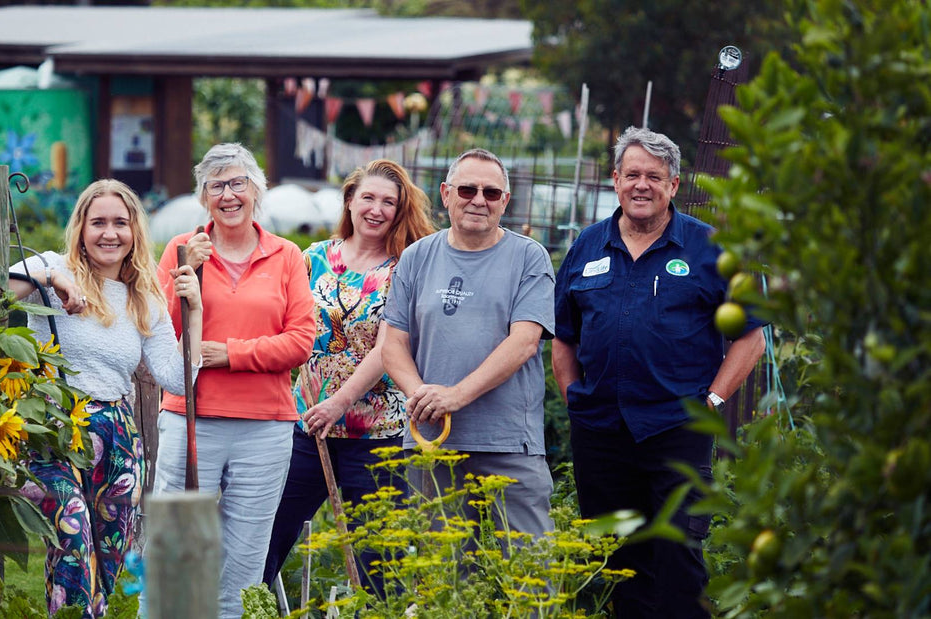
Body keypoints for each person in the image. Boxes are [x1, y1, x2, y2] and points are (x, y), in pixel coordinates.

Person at [552, 126, 766, 618]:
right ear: (615, 181)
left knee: (677, 556)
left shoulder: (709, 247)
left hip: (677, 427)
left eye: (654, 176)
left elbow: (749, 335)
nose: (641, 185)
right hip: (601, 433)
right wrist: (574, 400)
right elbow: (563, 337)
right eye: (632, 175)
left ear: (673, 185)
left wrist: (711, 402)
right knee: (613, 558)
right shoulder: (587, 247)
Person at [9, 179, 203, 619]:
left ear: (135, 231)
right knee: (73, 544)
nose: (109, 233)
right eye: (98, 222)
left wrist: (196, 312)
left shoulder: (143, 297)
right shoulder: (50, 266)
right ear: (81, 227)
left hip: (117, 437)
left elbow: (174, 379)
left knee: (111, 561)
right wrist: (51, 277)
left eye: (121, 222)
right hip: (53, 428)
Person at [153, 143, 314, 619]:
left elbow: (301, 342)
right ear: (204, 196)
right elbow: (161, 332)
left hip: (265, 428)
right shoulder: (181, 249)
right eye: (217, 185)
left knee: (244, 559)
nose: (228, 195)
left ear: (255, 191)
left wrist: (230, 354)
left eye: (238, 183)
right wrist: (192, 269)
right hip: (191, 419)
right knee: (177, 550)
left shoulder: (286, 256)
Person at [262, 159, 436, 591]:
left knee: (378, 557)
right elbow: (286, 329)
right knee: (266, 536)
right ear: (350, 201)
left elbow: (390, 346)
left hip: (377, 431)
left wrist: (341, 403)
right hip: (307, 426)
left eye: (388, 202)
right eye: (368, 198)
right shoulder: (313, 258)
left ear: (401, 210)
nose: (376, 209)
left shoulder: (406, 267)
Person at [382, 148, 556, 537]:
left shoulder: (529, 257)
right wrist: (422, 395)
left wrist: (456, 396)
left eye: (491, 193)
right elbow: (392, 343)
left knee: (530, 574)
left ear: (505, 202)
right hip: (432, 441)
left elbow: (525, 341)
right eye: (467, 190)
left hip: (508, 442)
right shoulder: (416, 257)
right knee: (446, 579)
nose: (479, 200)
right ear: (446, 194)